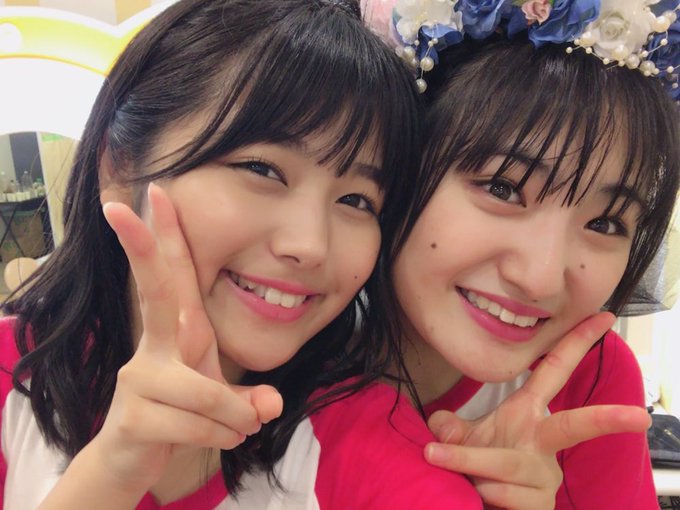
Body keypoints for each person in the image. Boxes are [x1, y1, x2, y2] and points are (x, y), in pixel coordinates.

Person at [0, 0, 484, 508]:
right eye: (261, 169)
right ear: (119, 167)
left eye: (357, 201)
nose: (310, 245)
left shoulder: (365, 440)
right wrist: (110, 474)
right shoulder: (13, 374)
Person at [366, 0, 680, 508]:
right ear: (401, 162)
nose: (539, 279)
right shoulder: (269, 339)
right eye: (504, 188)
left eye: (604, 223)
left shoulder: (591, 383)